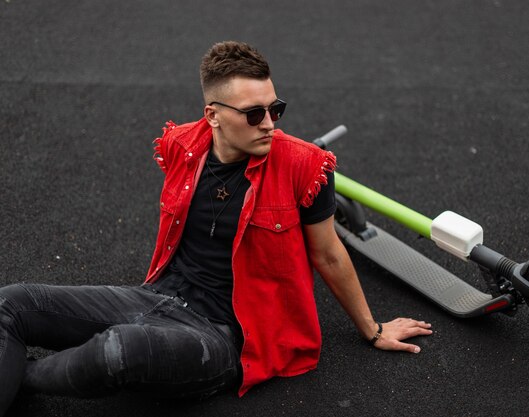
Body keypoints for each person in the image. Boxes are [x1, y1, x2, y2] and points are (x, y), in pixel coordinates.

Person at [0, 41, 433, 415]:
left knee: (120, 349)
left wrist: (373, 330)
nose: (269, 123)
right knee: (12, 302)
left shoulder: (304, 166)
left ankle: (22, 377)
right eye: (254, 113)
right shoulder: (182, 145)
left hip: (227, 335)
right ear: (213, 115)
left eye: (275, 109)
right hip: (160, 296)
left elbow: (329, 254)